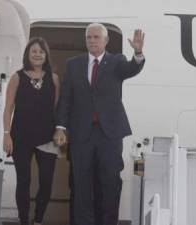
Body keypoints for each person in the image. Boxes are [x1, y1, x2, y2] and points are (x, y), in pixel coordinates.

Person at [54, 23, 145, 225]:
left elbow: (132, 68)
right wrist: (60, 127)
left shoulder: (117, 62)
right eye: (89, 37)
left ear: (105, 41)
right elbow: (66, 98)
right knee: (81, 184)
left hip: (109, 134)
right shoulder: (74, 64)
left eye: (96, 37)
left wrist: (138, 53)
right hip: (81, 134)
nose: (92, 41)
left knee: (110, 183)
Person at [3, 37, 60, 225]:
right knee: (24, 181)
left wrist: (60, 132)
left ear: (46, 56)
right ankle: (23, 220)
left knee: (46, 183)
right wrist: (7, 134)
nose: (37, 54)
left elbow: (57, 109)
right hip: (21, 137)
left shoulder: (54, 78)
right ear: (28, 54)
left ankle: (38, 220)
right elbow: (8, 108)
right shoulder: (17, 77)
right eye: (34, 51)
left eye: (41, 52)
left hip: (47, 138)